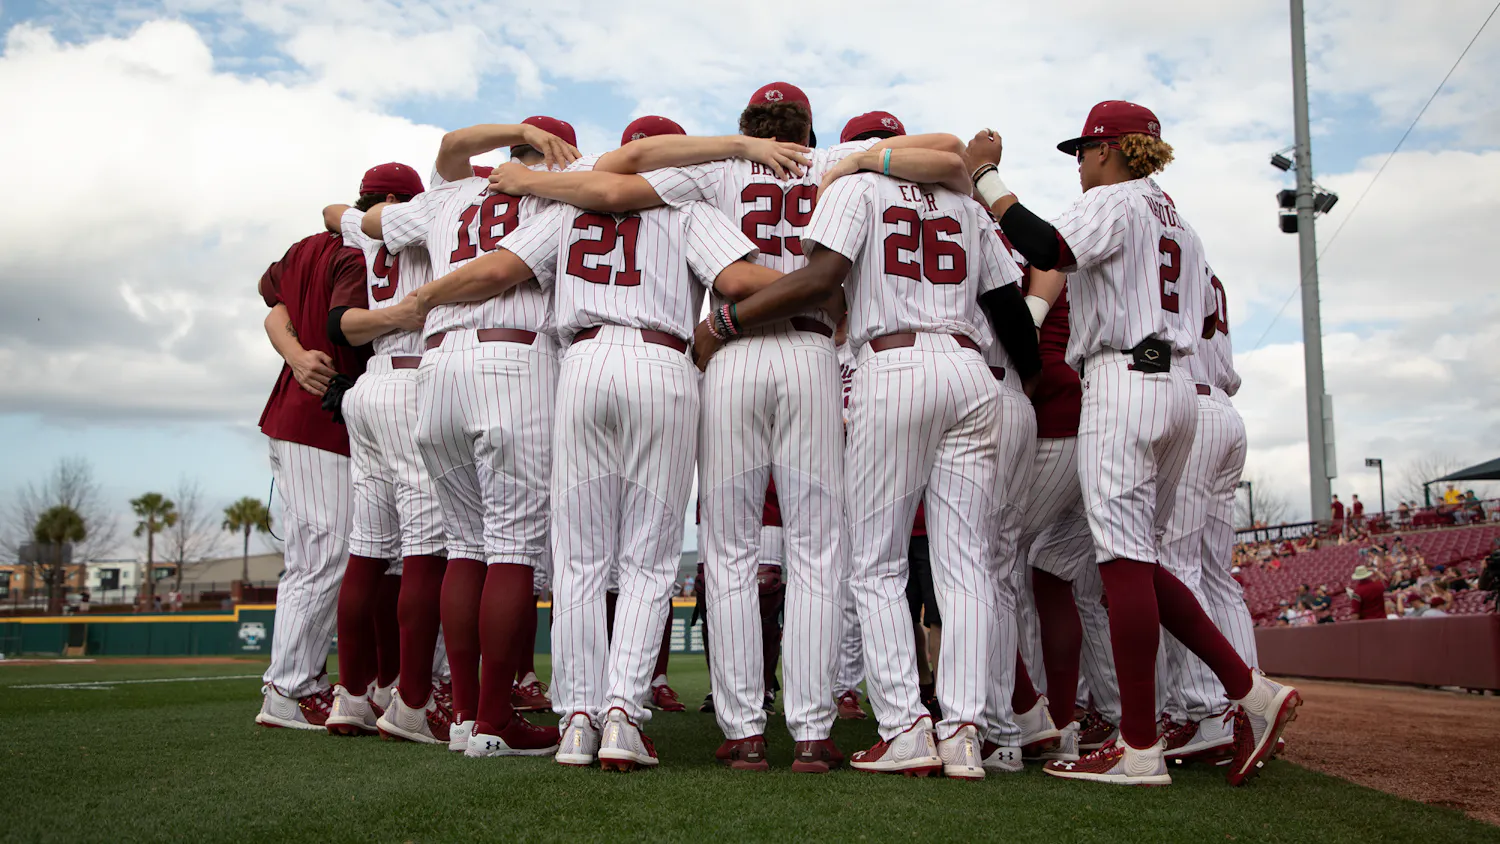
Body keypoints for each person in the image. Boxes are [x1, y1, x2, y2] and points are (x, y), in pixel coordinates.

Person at [487, 92, 971, 772]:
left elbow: (620, 172)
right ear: (808, 129)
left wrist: (729, 151)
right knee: (816, 552)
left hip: (729, 357)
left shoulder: (712, 169)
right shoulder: (839, 162)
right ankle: (809, 730)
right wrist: (862, 158)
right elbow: (956, 151)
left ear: (747, 128)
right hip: (808, 353)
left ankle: (741, 729)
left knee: (729, 551)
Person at [414, 116, 780, 772]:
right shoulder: (690, 205)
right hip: (661, 363)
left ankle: (576, 717)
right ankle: (622, 717)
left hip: (580, 367)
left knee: (579, 560)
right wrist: (819, 293)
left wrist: (428, 298)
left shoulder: (566, 205)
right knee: (645, 561)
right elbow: (741, 284)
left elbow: (497, 269)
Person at [970, 101, 1299, 787]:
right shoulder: (1179, 218)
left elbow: (1049, 250)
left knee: (1123, 564)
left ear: (1114, 150)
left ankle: (1140, 747)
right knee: (1132, 563)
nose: (1082, 162)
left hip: (1127, 379)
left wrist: (988, 178)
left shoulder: (1118, 199)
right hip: (1182, 388)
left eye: (1086, 149)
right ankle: (1249, 691)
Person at [691, 144, 1038, 779]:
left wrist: (728, 320)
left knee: (875, 563)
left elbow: (821, 281)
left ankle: (906, 726)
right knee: (966, 564)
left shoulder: (854, 188)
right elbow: (1012, 311)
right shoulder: (964, 203)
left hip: (895, 362)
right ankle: (964, 730)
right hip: (969, 367)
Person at [362, 117, 581, 754]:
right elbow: (501, 270)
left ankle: (460, 717)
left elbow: (451, 147)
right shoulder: (558, 191)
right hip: (509, 360)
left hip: (434, 369)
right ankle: (493, 720)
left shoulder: (449, 194)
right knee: (512, 548)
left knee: (464, 547)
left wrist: (516, 131)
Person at [318, 162, 448, 738]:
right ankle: (412, 702)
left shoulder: (358, 228)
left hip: (368, 386)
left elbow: (333, 213)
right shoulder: (417, 223)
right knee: (425, 547)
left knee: (368, 549)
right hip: (412, 379)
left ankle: (351, 694)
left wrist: (364, 209)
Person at [254, 197, 372, 731]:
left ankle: (301, 680)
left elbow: (272, 304)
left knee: (316, 554)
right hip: (316, 416)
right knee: (323, 555)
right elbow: (341, 326)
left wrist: (292, 353)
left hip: (296, 410)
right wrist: (302, 355)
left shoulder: (305, 248)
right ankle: (289, 687)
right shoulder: (355, 252)